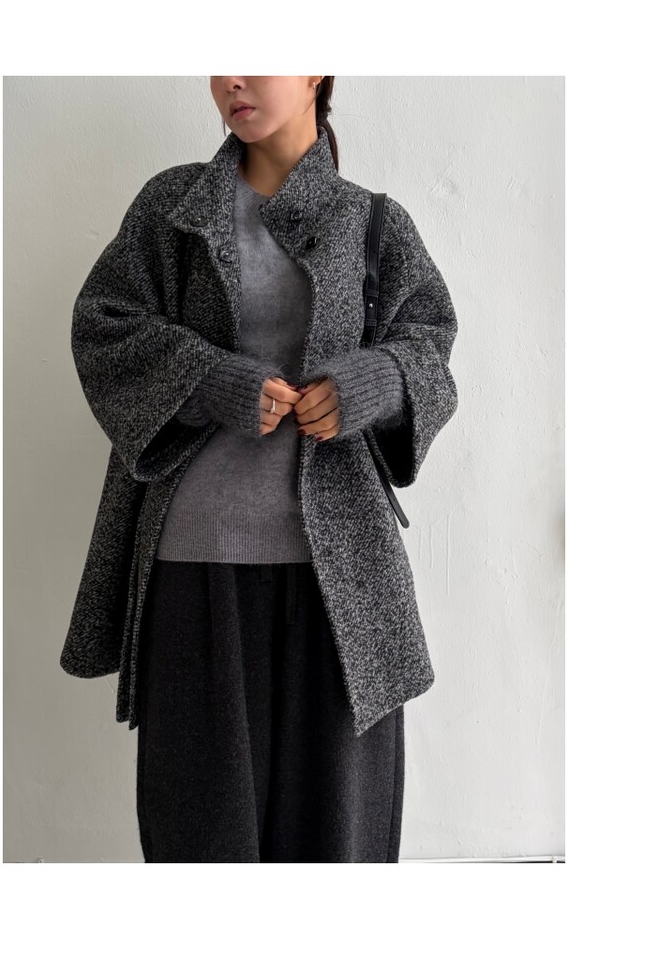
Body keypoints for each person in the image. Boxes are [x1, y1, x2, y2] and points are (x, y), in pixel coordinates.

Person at [61, 75, 459, 863]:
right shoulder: (174, 207)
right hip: (192, 569)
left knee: (334, 844)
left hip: (343, 586)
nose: (231, 78)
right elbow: (102, 326)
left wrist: (370, 382)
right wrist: (208, 380)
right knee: (201, 844)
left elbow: (430, 346)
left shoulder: (373, 222)